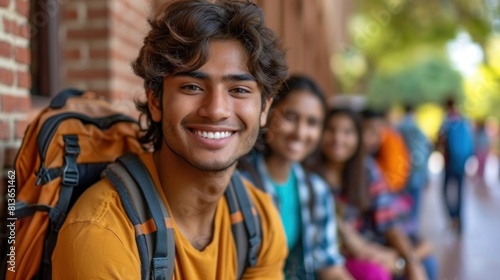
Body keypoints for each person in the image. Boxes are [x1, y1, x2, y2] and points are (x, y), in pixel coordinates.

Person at [51, 1, 289, 279]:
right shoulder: (103, 233)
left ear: (264, 109)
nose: (216, 110)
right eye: (192, 87)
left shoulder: (260, 220)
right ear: (155, 100)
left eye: (238, 89)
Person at [239, 75, 353, 279]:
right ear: (268, 113)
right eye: (290, 117)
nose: (300, 133)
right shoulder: (240, 183)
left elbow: (327, 261)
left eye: (312, 123)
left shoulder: (316, 190)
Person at [314, 108, 438, 280]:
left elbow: (388, 221)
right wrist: (396, 261)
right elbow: (345, 241)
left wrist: (410, 262)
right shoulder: (311, 177)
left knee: (426, 261)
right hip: (349, 253)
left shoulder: (366, 170)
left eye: (347, 132)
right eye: (331, 130)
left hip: (374, 244)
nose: (338, 138)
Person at [437, 97, 474, 233]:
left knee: (445, 191)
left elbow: (439, 140)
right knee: (460, 192)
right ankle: (460, 221)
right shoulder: (464, 119)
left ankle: (453, 217)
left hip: (449, 163)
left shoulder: (446, 121)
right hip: (461, 162)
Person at [398, 105, 433, 236]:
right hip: (417, 170)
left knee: (403, 202)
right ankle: (412, 229)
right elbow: (424, 151)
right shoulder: (417, 128)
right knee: (415, 203)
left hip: (402, 171)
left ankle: (404, 228)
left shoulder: (398, 127)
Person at [474, 119, 490, 184]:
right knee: (481, 165)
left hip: (482, 151)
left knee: (481, 165)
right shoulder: (481, 133)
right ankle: (480, 177)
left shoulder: (482, 133)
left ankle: (480, 177)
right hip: (481, 151)